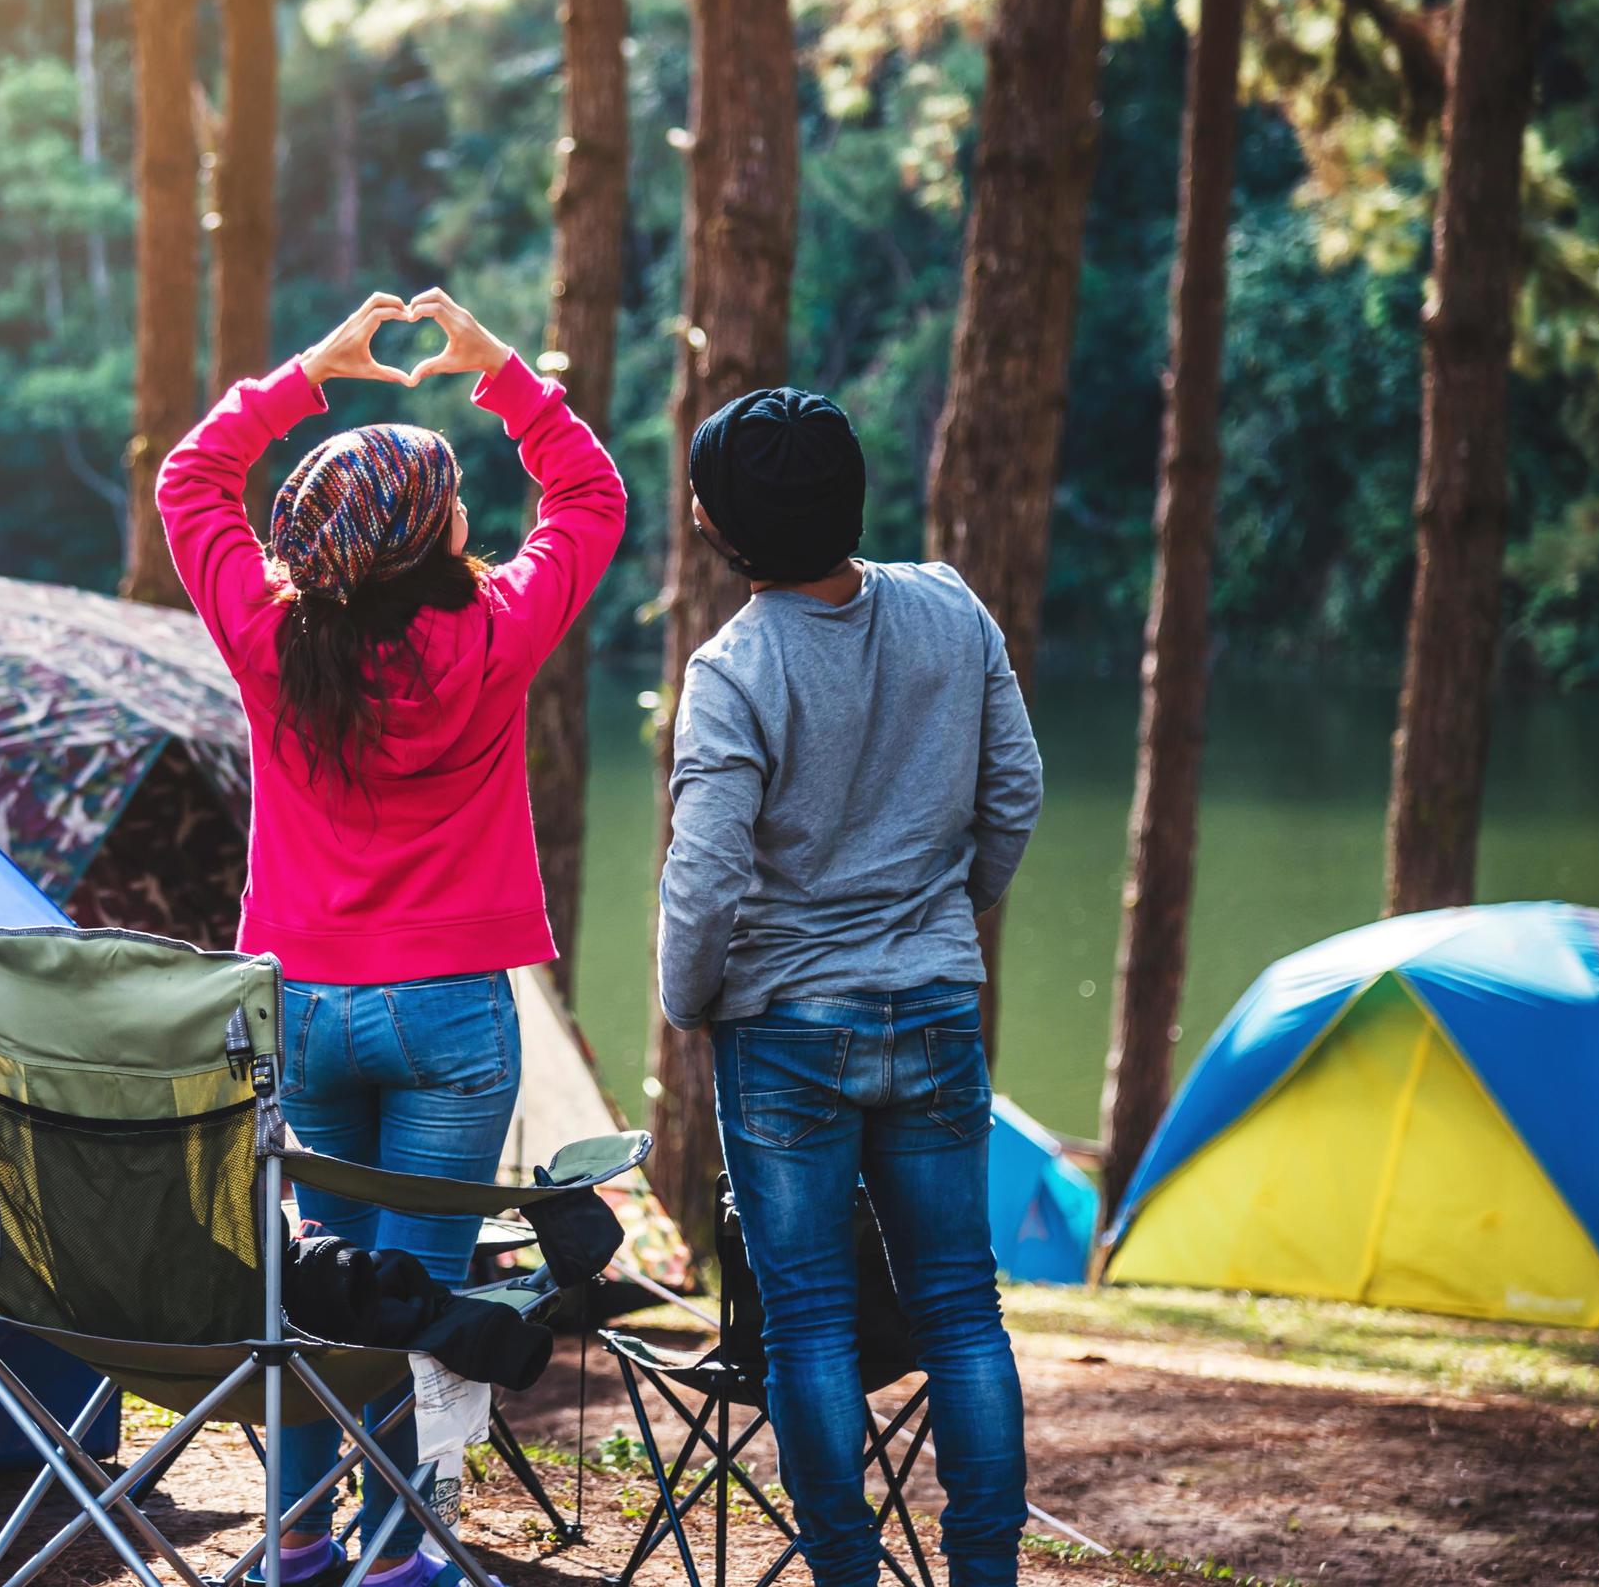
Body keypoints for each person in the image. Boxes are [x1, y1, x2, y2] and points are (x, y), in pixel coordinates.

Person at [158, 288, 627, 1587]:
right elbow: (593, 503)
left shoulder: (269, 635)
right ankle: (403, 1554)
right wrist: (503, 378)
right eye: (452, 500)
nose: (470, 513)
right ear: (432, 539)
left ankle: (296, 1543)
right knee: (421, 1306)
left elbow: (192, 479)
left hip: (303, 1002)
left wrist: (309, 372)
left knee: (327, 1289)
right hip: (449, 1021)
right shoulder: (490, 638)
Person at [656, 387, 1043, 1587]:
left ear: (717, 524)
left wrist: (686, 999)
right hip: (932, 1009)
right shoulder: (949, 607)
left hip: (781, 1033)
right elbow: (1013, 793)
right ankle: (983, 1569)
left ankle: (845, 1572)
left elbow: (706, 877)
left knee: (810, 1321)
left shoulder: (730, 670)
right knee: (960, 1310)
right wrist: (937, 919)